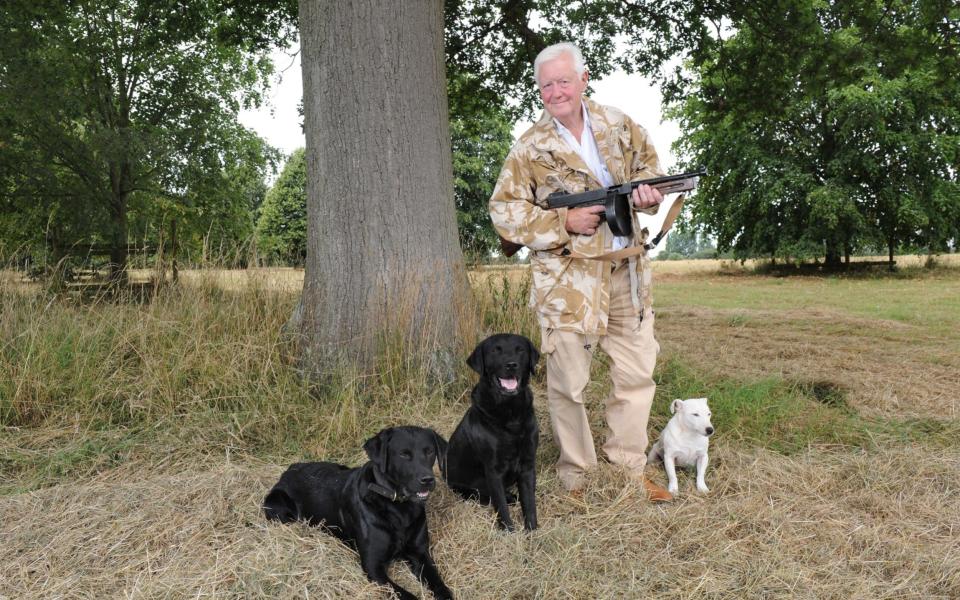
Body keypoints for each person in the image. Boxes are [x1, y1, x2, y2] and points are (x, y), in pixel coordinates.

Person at [488, 42, 672, 501]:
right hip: (567, 284)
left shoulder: (618, 124)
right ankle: (577, 475)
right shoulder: (529, 147)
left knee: (636, 375)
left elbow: (652, 171)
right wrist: (561, 222)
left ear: (583, 79)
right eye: (546, 84)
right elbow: (503, 211)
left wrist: (651, 196)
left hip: (625, 272)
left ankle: (629, 467)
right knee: (568, 384)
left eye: (563, 81)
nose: (555, 91)